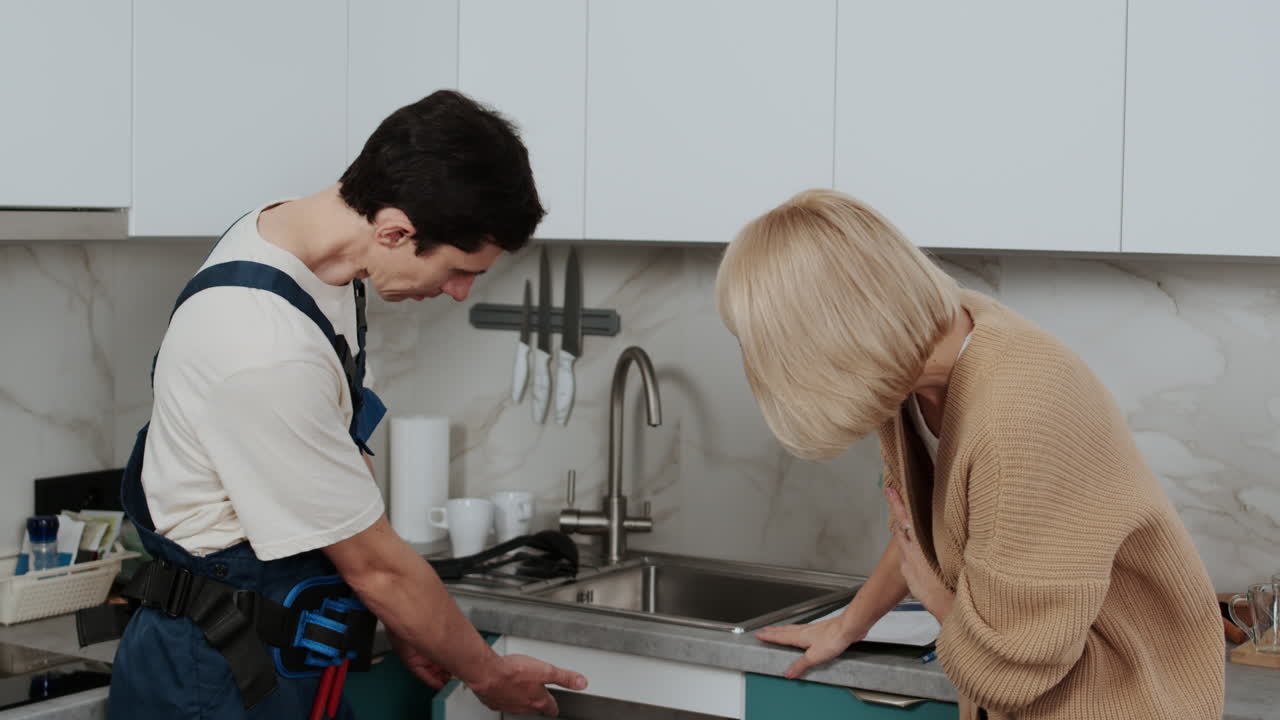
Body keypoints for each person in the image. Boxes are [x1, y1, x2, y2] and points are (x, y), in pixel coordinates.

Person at [106, 91, 586, 718]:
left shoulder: (306, 249)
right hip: (214, 674)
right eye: (459, 269)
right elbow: (377, 569)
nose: (460, 293)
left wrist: (414, 626)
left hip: (286, 646)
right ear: (394, 229)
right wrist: (491, 678)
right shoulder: (263, 345)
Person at [716, 189, 1225, 719]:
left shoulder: (1018, 415)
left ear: (838, 332)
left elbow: (1011, 672)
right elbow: (921, 526)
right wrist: (849, 625)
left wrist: (932, 591)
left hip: (1121, 696)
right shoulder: (918, 359)